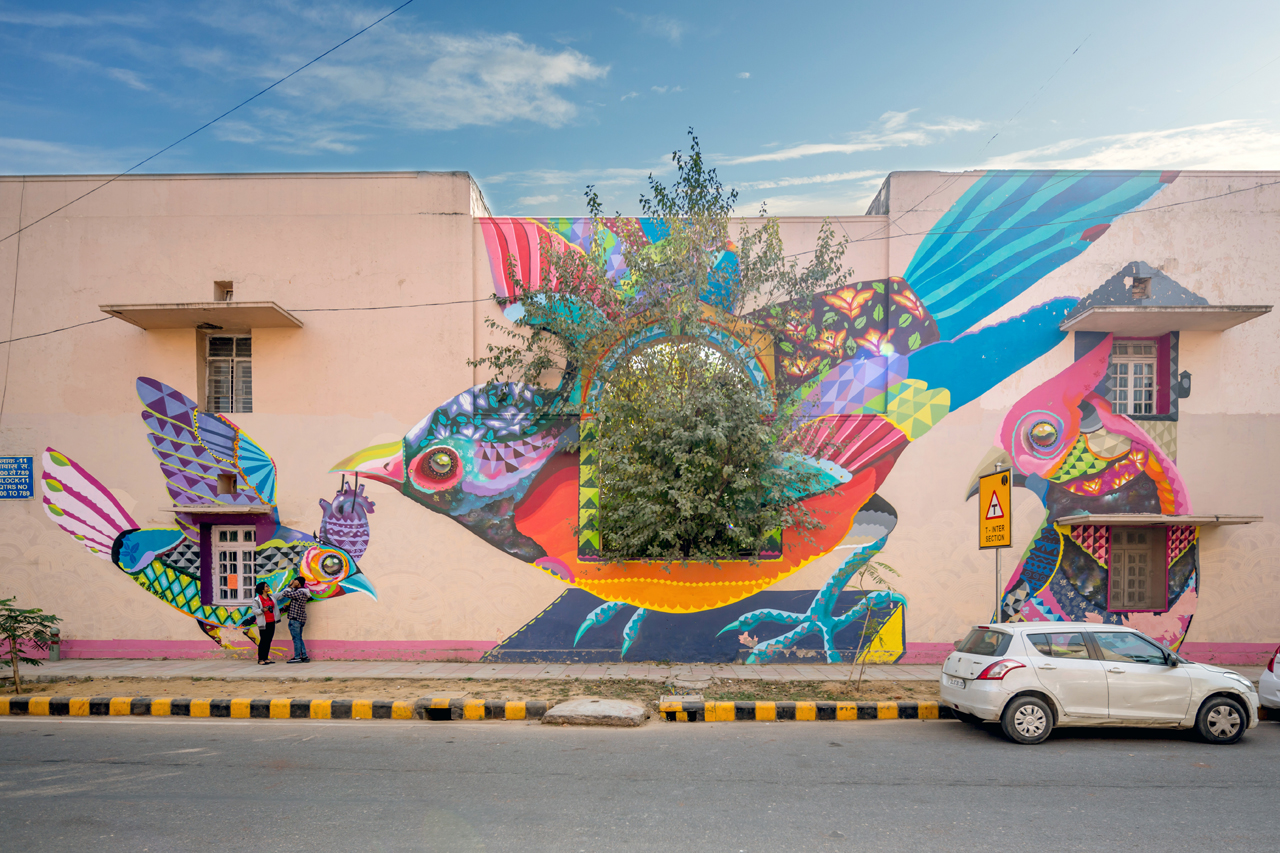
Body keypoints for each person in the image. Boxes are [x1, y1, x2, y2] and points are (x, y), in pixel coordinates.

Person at [244, 581, 279, 665]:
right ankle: (261, 659)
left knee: (269, 640)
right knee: (263, 640)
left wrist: (290, 587)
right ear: (262, 589)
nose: (268, 587)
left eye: (268, 586)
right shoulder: (257, 600)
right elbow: (254, 611)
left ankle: (266, 658)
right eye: (266, 586)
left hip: (271, 621)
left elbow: (280, 595)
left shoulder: (271, 597)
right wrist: (263, 610)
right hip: (263, 623)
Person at [279, 577, 312, 664]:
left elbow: (286, 593)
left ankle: (297, 657)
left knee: (296, 639)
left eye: (295, 580)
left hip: (295, 619)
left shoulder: (300, 592)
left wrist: (290, 586)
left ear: (298, 582)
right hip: (300, 619)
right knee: (299, 638)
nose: (294, 581)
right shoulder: (303, 591)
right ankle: (304, 656)